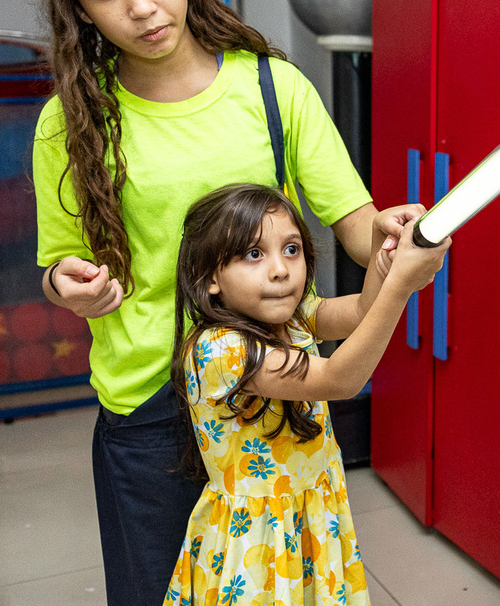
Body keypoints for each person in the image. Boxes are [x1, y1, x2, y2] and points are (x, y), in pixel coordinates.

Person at [32, 0, 408, 606]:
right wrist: (69, 284)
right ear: (80, 8)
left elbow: (357, 225)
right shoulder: (70, 120)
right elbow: (57, 261)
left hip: (272, 381)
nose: (141, 6)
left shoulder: (273, 87)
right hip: (151, 411)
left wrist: (395, 239)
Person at [165, 183, 448, 605]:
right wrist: (400, 286)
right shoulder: (221, 350)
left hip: (311, 514)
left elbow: (361, 312)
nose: (280, 270)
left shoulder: (295, 317)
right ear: (208, 278)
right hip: (258, 542)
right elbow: (338, 379)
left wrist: (381, 247)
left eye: (291, 249)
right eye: (253, 254)